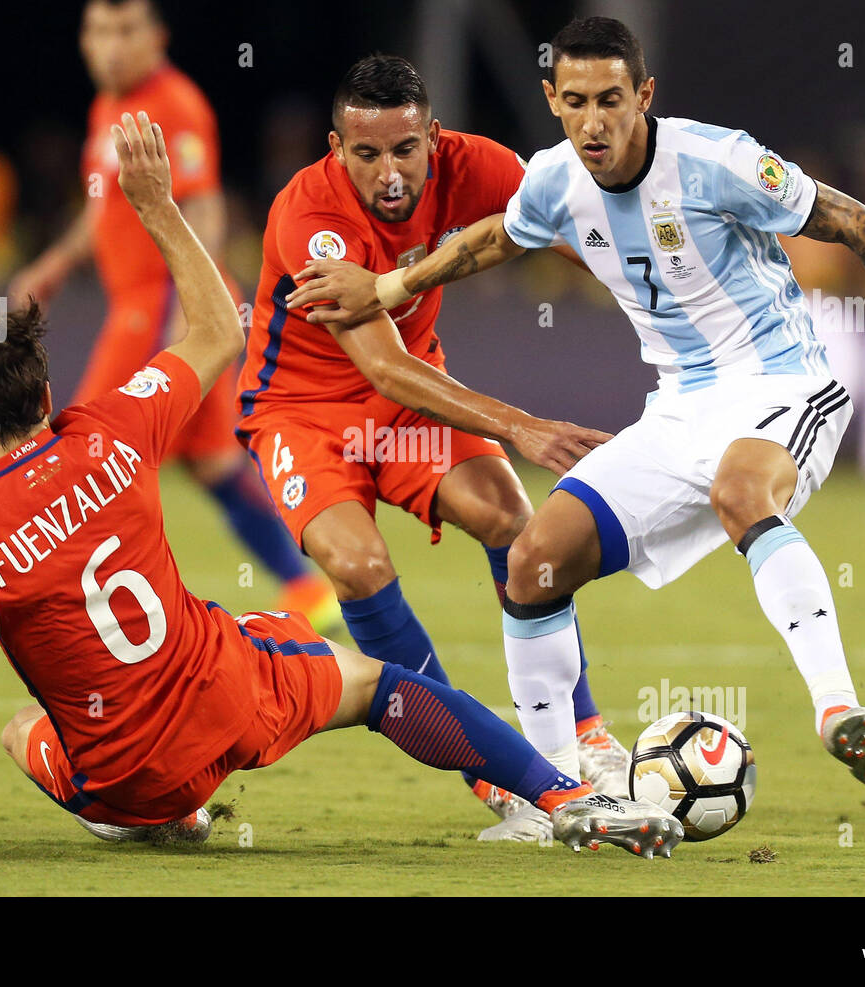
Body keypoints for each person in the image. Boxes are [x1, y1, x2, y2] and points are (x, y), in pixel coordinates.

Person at [0, 112, 682, 865]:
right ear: (45, 396)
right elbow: (222, 325)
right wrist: (158, 209)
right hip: (232, 697)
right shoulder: (113, 427)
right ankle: (563, 796)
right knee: (377, 686)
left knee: (14, 731)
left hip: (125, 782)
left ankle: (168, 816)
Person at [287, 17, 865, 826]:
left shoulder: (718, 162)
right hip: (678, 404)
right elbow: (492, 240)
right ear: (551, 99)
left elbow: (861, 225)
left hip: (782, 383)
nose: (593, 121)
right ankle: (554, 795)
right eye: (574, 101)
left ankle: (836, 706)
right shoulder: (553, 179)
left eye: (611, 99)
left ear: (643, 95)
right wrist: (391, 288)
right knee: (535, 561)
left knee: (742, 491)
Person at [236, 53, 632, 839]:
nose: (388, 173)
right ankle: (489, 769)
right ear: (335, 147)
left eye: (404, 150)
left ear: (435, 138)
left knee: (514, 522)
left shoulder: (478, 167)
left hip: (406, 404)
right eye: (367, 153)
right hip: (301, 412)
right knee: (358, 565)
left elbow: (575, 225)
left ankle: (584, 733)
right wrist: (520, 425)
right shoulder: (309, 218)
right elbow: (383, 363)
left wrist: (654, 280)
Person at [7, 0, 336, 628]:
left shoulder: (176, 105)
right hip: (146, 303)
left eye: (125, 30)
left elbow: (205, 206)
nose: (110, 45)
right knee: (211, 462)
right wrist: (54, 263)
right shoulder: (108, 107)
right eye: (99, 30)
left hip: (160, 305)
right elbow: (103, 207)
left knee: (81, 444)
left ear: (156, 38)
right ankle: (307, 584)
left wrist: (196, 313)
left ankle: (64, 597)